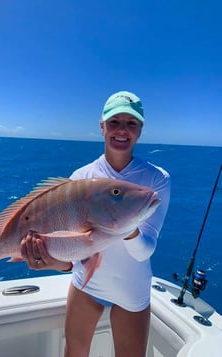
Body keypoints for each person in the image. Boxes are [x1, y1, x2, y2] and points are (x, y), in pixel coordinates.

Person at [20, 90, 171, 357]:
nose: (122, 130)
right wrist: (49, 260)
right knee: (74, 353)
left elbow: (145, 250)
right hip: (85, 286)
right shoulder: (80, 178)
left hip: (131, 291)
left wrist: (126, 224)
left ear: (140, 130)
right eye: (114, 122)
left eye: (131, 123)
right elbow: (71, 255)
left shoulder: (156, 180)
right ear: (102, 127)